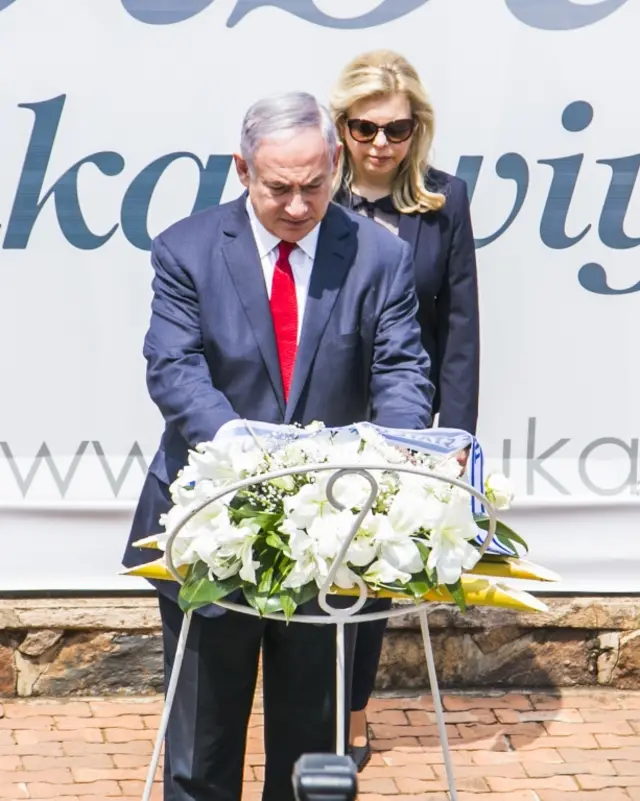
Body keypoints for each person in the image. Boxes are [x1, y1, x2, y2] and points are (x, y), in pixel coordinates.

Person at [121, 91, 435, 801]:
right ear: (242, 169)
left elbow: (401, 371)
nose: (298, 205)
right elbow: (174, 368)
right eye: (278, 188)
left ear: (335, 164)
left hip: (329, 533)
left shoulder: (379, 255)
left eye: (315, 185)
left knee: (313, 754)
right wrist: (247, 455)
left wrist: (397, 453)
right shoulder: (186, 249)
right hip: (212, 525)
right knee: (200, 751)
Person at [329, 50, 480, 771]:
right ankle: (307, 709)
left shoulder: (444, 202)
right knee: (310, 561)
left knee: (371, 572)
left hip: (403, 411)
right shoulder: (312, 197)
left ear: (417, 129)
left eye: (397, 129)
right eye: (365, 128)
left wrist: (452, 436)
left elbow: (459, 331)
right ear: (342, 126)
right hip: (318, 410)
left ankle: (353, 712)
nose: (381, 144)